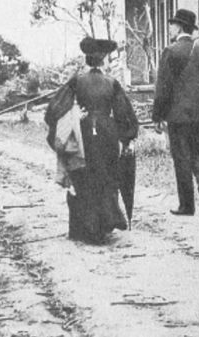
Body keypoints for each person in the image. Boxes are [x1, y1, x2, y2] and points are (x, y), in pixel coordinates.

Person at [44, 37, 138, 244]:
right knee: (106, 177)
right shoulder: (112, 83)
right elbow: (124, 114)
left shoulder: (76, 81)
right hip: (107, 132)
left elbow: (54, 109)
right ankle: (104, 225)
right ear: (103, 61)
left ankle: (84, 229)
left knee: (83, 177)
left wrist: (73, 115)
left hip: (83, 131)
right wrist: (128, 136)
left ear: (87, 60)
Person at [152, 8, 199, 216]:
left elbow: (163, 88)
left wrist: (157, 115)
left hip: (178, 116)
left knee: (181, 157)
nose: (170, 28)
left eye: (172, 24)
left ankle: (187, 205)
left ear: (180, 26)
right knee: (198, 151)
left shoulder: (170, 51)